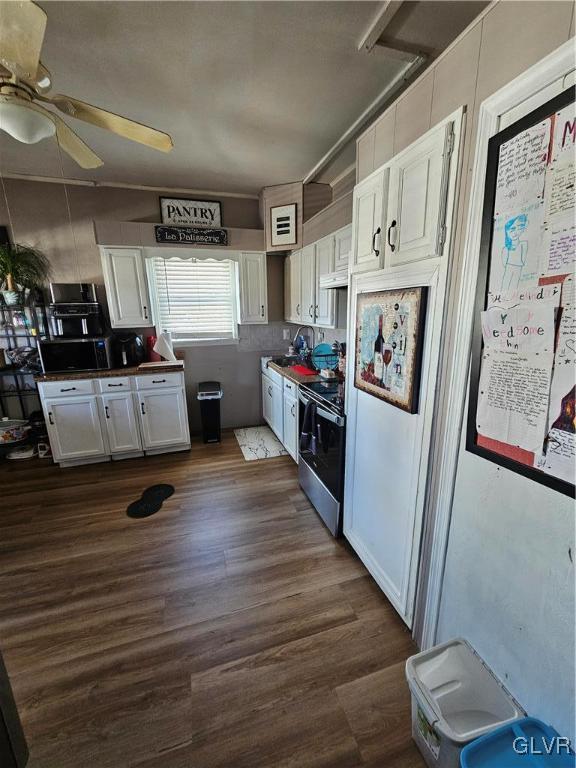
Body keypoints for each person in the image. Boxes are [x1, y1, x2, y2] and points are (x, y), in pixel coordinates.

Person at [500, 214, 528, 290]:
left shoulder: (523, 244)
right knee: (505, 286)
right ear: (507, 232)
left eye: (518, 229)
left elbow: (524, 259)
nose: (515, 233)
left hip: (518, 268)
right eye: (512, 230)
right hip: (509, 268)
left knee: (514, 286)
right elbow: (504, 263)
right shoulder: (506, 248)